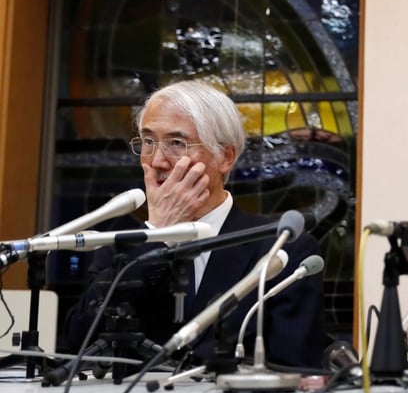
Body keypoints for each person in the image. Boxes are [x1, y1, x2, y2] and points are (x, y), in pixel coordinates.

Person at [64, 80, 325, 369]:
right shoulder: (120, 248)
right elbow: (79, 341)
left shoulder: (282, 249)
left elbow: (294, 367)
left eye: (176, 143)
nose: (157, 161)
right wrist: (158, 234)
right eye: (148, 142)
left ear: (225, 157)